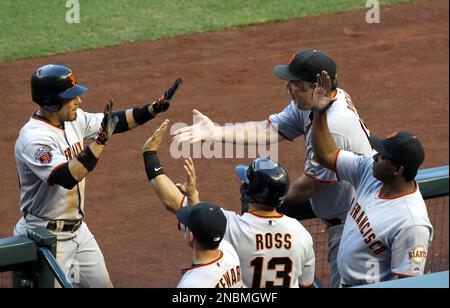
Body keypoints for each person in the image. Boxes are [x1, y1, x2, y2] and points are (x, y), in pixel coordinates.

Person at [172, 48, 372, 287]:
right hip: (341, 212)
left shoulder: (335, 124)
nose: (287, 88)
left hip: (354, 226)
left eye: (294, 83)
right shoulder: (313, 105)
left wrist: (264, 201)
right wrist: (216, 131)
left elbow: (311, 184)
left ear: (316, 86)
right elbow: (270, 129)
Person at [13, 64, 181, 287]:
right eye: (71, 97)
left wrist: (152, 109)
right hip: (47, 238)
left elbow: (114, 122)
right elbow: (67, 176)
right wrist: (100, 141)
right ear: (50, 102)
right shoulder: (34, 139)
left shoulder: (73, 120)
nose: (78, 101)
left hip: (78, 231)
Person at [143, 121, 315, 288]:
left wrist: (151, 158)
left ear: (248, 192)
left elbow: (174, 203)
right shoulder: (301, 234)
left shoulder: (230, 227)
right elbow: (306, 284)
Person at [310, 70, 433, 287]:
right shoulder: (370, 170)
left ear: (397, 169)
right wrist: (319, 114)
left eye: (383, 156)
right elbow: (326, 155)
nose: (375, 155)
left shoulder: (411, 223)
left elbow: (410, 283)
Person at [143, 120, 243, 288]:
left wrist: (149, 154)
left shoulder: (192, 285)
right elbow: (174, 204)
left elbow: (175, 205)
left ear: (191, 235)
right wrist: (192, 194)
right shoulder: (228, 254)